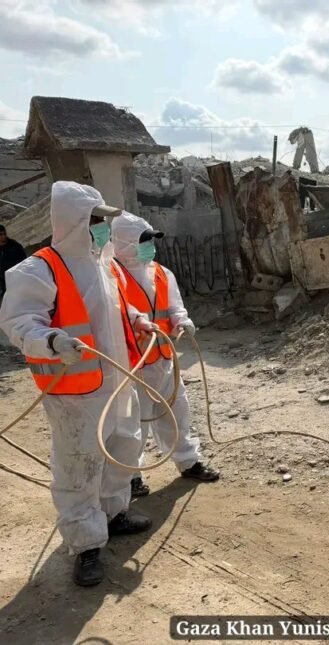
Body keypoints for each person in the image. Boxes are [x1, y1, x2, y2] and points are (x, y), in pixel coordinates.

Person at [0, 181, 156, 587]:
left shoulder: (105, 265)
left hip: (119, 380)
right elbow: (19, 321)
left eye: (106, 221)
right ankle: (86, 544)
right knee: (79, 464)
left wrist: (139, 320)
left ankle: (114, 512)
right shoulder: (39, 268)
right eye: (97, 220)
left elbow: (123, 306)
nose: (104, 228)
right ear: (75, 221)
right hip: (76, 391)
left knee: (123, 447)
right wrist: (49, 340)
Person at [110, 211, 220, 495]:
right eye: (144, 241)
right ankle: (131, 476)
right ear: (125, 243)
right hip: (132, 365)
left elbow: (174, 306)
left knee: (176, 412)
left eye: (151, 240)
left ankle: (188, 461)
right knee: (134, 423)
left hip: (164, 358)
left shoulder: (161, 272)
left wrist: (183, 321)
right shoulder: (111, 275)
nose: (150, 246)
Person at [0, 223, 27, 303]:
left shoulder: (15, 246)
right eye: (0, 235)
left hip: (17, 280)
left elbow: (24, 263)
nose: (3, 237)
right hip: (3, 283)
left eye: (4, 234)